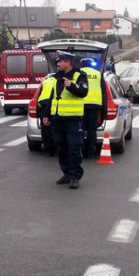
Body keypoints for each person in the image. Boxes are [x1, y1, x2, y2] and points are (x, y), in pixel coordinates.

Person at [41, 51, 89, 189]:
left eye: (60, 61)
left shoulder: (80, 75)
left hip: (72, 119)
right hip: (58, 118)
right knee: (61, 147)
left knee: (74, 147)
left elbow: (83, 92)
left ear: (68, 62)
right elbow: (53, 97)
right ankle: (67, 173)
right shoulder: (57, 77)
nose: (58, 63)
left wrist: (71, 85)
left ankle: (75, 176)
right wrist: (46, 115)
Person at [80, 58, 106, 159]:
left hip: (81, 104)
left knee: (80, 129)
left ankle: (81, 150)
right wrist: (103, 107)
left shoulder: (79, 73)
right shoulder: (98, 74)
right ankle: (90, 152)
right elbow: (103, 90)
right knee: (92, 129)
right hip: (95, 104)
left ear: (82, 64)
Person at [37, 76, 56, 156]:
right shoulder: (60, 80)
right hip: (54, 103)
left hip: (43, 103)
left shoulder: (45, 81)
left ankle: (48, 149)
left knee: (45, 127)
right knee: (56, 127)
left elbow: (39, 94)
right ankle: (56, 148)